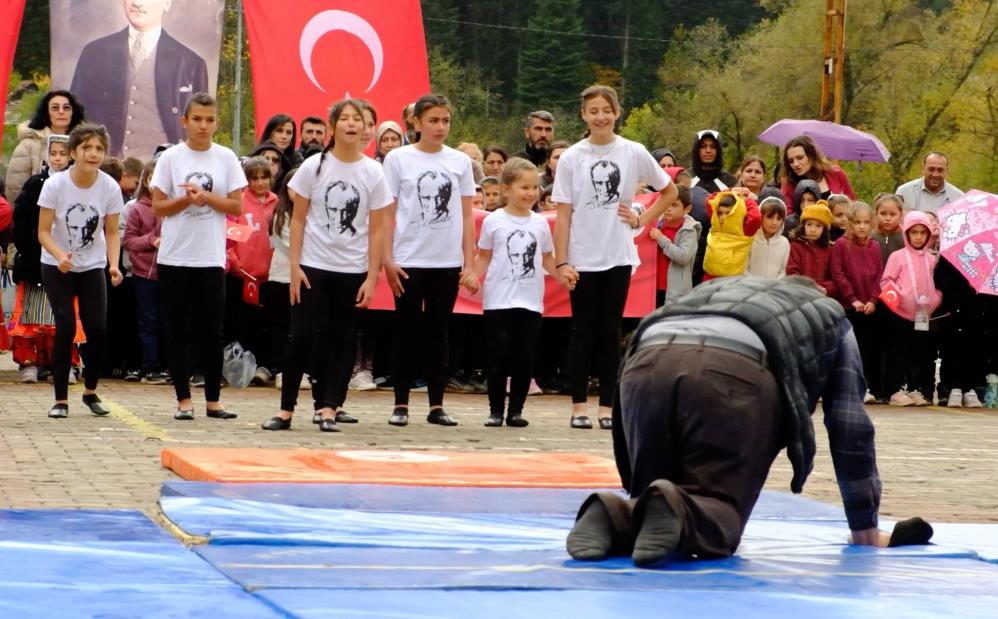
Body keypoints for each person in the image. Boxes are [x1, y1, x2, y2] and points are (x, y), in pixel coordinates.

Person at [566, 275, 892, 566]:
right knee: (718, 511)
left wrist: (631, 470)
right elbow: (849, 425)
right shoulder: (831, 316)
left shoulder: (720, 287)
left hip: (644, 363)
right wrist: (864, 525)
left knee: (649, 502)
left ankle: (614, 515)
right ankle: (677, 510)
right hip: (732, 368)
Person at [260, 99, 391, 432]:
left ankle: (330, 407)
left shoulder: (373, 172)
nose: (351, 124)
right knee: (301, 336)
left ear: (366, 128)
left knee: (342, 339)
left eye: (358, 119)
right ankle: (286, 410)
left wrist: (372, 276)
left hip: (353, 269)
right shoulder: (313, 167)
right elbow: (298, 220)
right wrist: (295, 267)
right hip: (312, 266)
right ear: (332, 127)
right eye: (344, 118)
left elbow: (377, 229)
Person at [552, 85, 677, 430]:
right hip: (581, 257)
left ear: (617, 112)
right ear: (583, 115)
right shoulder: (572, 157)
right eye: (593, 111)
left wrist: (642, 219)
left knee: (610, 332)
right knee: (582, 332)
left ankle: (607, 407)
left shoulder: (633, 152)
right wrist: (562, 262)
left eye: (606, 110)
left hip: (618, 254)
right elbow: (563, 214)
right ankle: (578, 407)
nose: (600, 117)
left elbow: (669, 191)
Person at [382, 94, 479, 427]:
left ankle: (437, 405)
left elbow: (467, 215)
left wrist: (469, 262)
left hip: (446, 260)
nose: (440, 127)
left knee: (439, 332)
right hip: (408, 258)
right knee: (406, 331)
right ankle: (401, 403)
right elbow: (388, 213)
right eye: (433, 120)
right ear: (417, 123)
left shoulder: (459, 162)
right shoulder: (398, 159)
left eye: (445, 121)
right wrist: (387, 258)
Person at [150, 92, 246, 421]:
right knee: (176, 329)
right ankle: (183, 400)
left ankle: (213, 401)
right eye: (197, 119)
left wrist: (206, 198)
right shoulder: (171, 158)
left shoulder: (226, 158)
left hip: (210, 257)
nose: (203, 126)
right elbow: (158, 206)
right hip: (175, 257)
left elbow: (236, 206)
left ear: (217, 123)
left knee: (212, 331)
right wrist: (186, 201)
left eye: (209, 120)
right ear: (185, 121)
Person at [36, 123, 124, 418]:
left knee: (97, 328)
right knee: (66, 327)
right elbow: (43, 231)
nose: (93, 153)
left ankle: (90, 391)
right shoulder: (55, 185)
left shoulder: (109, 187)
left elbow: (112, 231)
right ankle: (60, 400)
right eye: (87, 148)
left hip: (92, 266)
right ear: (73, 152)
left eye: (99, 148)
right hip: (56, 265)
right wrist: (60, 255)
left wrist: (114, 265)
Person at [470, 158, 556, 428]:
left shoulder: (540, 223)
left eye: (534, 187)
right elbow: (484, 256)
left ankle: (516, 411)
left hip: (530, 301)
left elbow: (547, 258)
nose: (530, 193)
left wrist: (562, 272)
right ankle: (496, 410)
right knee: (498, 355)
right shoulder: (493, 221)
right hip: (498, 300)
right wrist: (472, 275)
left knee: (524, 357)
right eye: (524, 187)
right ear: (506, 189)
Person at [71, 0, 208, 158]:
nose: (137, 3)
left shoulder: (191, 63)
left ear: (167, 3)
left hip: (163, 166)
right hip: (106, 165)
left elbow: (201, 126)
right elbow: (76, 116)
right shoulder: (95, 52)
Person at [10, 135, 76, 384]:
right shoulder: (35, 183)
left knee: (62, 315)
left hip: (65, 258)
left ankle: (63, 363)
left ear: (71, 155)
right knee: (32, 314)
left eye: (62, 153)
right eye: (53, 153)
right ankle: (30, 362)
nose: (57, 158)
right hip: (35, 259)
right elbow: (21, 219)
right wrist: (29, 249)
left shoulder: (76, 184)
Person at [880, 211, 942, 407]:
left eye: (923, 233)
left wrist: (935, 299)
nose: (918, 237)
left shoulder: (931, 259)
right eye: (913, 232)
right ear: (906, 233)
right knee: (899, 351)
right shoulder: (897, 256)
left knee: (919, 353)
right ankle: (896, 389)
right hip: (899, 314)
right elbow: (886, 281)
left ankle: (915, 388)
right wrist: (899, 297)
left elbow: (936, 284)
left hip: (923, 315)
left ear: (929, 235)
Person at [228, 157, 278, 385]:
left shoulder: (277, 203)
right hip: (244, 275)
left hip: (271, 276)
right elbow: (230, 237)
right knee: (245, 323)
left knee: (269, 324)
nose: (259, 183)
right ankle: (244, 367)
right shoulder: (239, 202)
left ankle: (266, 366)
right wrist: (235, 262)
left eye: (264, 177)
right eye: (254, 178)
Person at [830, 202, 884, 402]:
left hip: (869, 307)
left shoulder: (875, 245)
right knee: (850, 348)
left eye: (866, 222)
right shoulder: (841, 244)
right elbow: (838, 273)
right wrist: (852, 299)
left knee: (868, 349)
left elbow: (879, 273)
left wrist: (873, 300)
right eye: (857, 222)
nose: (862, 226)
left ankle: (867, 386)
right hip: (850, 306)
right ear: (850, 223)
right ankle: (850, 387)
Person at [123, 159, 169, 384]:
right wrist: (151, 240)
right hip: (144, 275)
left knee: (169, 321)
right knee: (148, 321)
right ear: (146, 181)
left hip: (171, 273)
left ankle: (170, 366)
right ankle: (150, 367)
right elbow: (128, 240)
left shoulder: (176, 208)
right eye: (152, 178)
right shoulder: (137, 208)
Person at [5, 90, 85, 202]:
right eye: (55, 108)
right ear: (46, 112)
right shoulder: (29, 143)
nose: (61, 112)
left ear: (73, 112)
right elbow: (15, 188)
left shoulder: (84, 143)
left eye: (66, 108)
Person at [650, 185, 698, 306]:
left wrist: (661, 239)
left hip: (674, 291)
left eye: (674, 205)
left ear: (687, 209)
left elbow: (683, 257)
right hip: (652, 287)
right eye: (667, 203)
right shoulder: (656, 225)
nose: (668, 209)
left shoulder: (689, 230)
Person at [780, 135, 855, 212]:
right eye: (791, 161)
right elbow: (787, 214)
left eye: (800, 158)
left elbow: (852, 205)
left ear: (812, 155)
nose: (795, 164)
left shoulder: (835, 174)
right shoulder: (788, 184)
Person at [702, 191, 760, 279]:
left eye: (728, 213)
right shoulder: (716, 224)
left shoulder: (745, 230)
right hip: (708, 277)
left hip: (731, 281)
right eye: (720, 213)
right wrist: (731, 191)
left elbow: (756, 218)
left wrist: (746, 200)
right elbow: (710, 200)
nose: (722, 217)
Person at [787, 202, 836, 295]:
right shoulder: (795, 246)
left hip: (822, 295)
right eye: (809, 224)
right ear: (803, 225)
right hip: (800, 294)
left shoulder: (830, 249)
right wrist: (808, 287)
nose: (813, 229)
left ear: (824, 229)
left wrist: (826, 288)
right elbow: (792, 272)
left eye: (818, 226)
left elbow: (834, 275)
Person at [895, 152, 963, 213]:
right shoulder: (903, 192)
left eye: (940, 170)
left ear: (947, 171)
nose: (935, 174)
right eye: (931, 169)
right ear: (923, 168)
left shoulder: (959, 198)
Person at [747, 196, 789, 279]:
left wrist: (775, 284)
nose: (774, 222)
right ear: (761, 217)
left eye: (779, 218)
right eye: (770, 217)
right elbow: (744, 267)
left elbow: (783, 270)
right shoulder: (750, 240)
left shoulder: (784, 243)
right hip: (750, 285)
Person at [871, 193, 905, 264]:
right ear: (876, 214)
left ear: (900, 215)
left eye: (892, 214)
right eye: (883, 214)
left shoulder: (905, 237)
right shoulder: (871, 236)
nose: (887, 218)